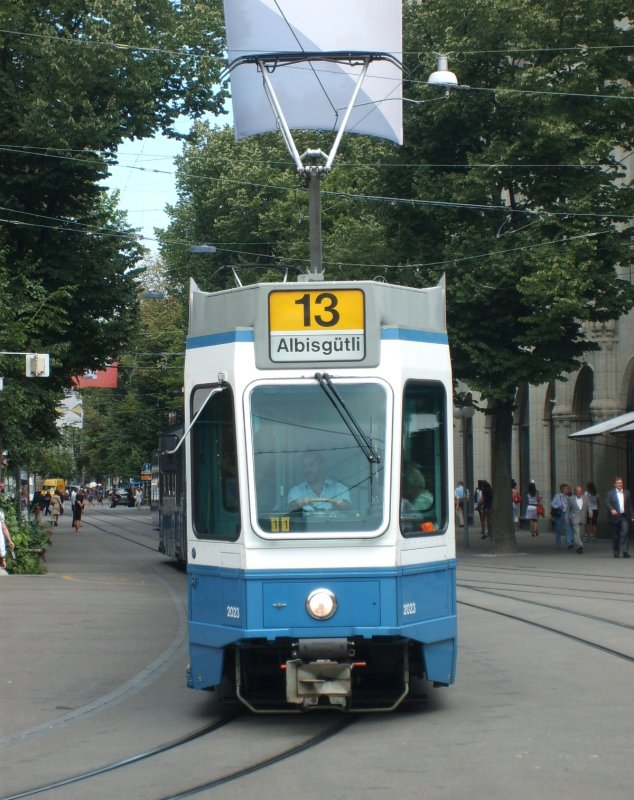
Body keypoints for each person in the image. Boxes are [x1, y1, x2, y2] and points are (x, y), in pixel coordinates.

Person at [604, 476, 634, 559]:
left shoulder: (627, 493)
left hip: (624, 516)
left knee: (625, 532)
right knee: (615, 536)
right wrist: (611, 509)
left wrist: (632, 516)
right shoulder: (610, 493)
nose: (620, 484)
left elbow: (630, 506)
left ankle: (625, 551)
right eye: (618, 483)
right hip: (614, 517)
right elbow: (607, 502)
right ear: (615, 484)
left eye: (621, 483)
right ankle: (616, 552)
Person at [550, 483, 573, 548]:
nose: (566, 490)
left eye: (567, 489)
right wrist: (558, 506)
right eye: (565, 489)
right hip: (559, 514)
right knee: (558, 529)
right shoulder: (558, 496)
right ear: (562, 490)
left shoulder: (569, 497)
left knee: (568, 528)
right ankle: (558, 543)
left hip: (567, 514)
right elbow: (552, 504)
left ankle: (569, 542)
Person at [568, 485, 588, 554]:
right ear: (575, 492)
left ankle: (579, 543)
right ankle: (579, 546)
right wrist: (566, 517)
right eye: (578, 491)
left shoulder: (585, 498)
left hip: (582, 517)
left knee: (581, 533)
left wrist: (590, 511)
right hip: (575, 517)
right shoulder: (571, 499)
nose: (579, 492)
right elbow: (568, 509)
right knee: (577, 532)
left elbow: (589, 506)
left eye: (580, 491)